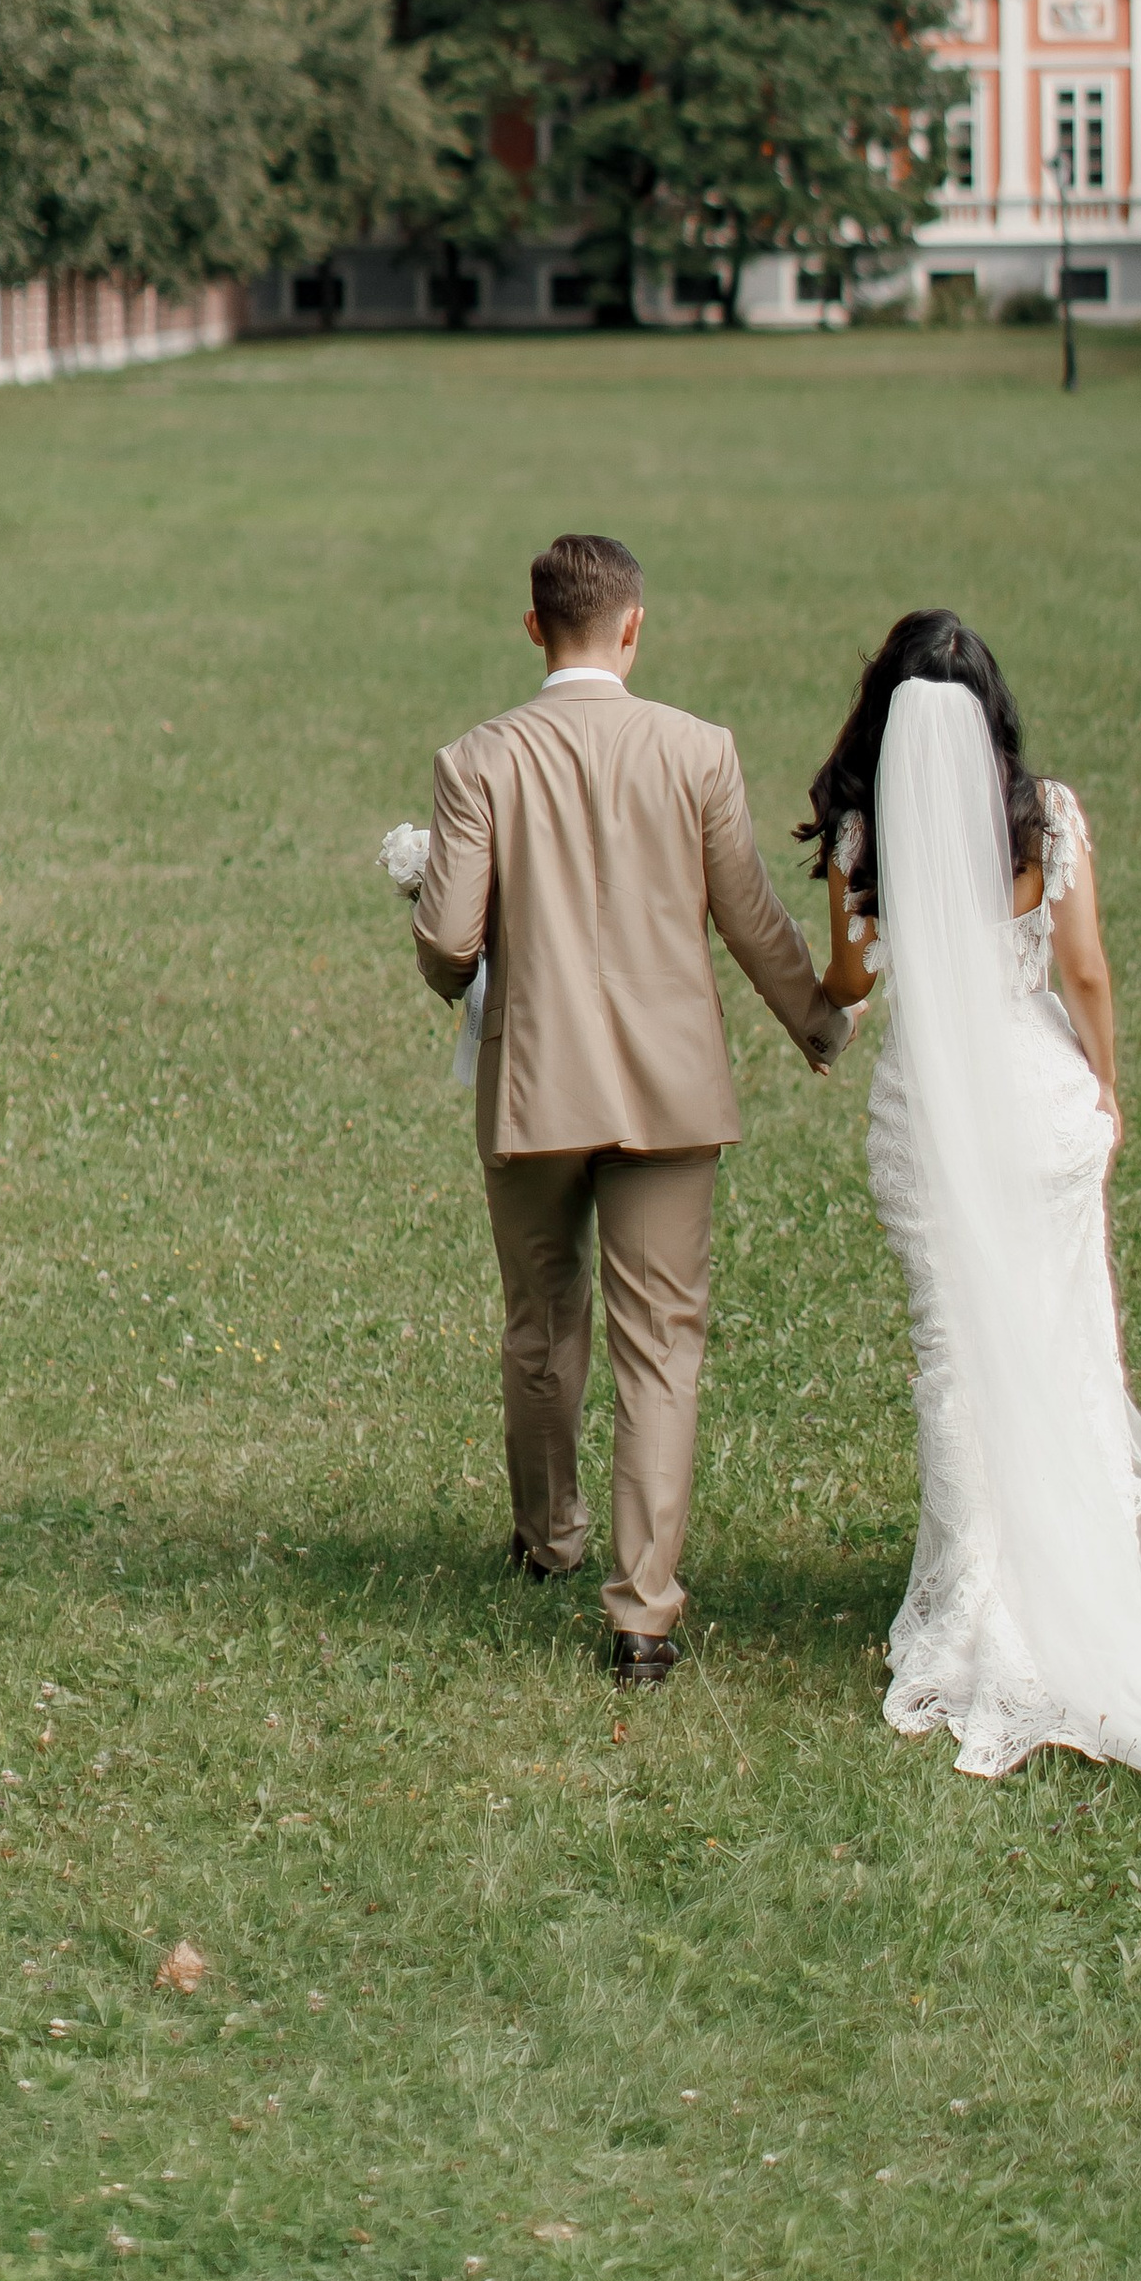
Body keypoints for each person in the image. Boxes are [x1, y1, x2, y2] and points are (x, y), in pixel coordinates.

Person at [802, 611, 1141, 1812]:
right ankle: (1075, 1579)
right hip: (1038, 1109)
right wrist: (1106, 1084)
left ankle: (970, 1602)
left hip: (931, 1120)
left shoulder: (865, 833)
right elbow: (1086, 969)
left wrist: (834, 981)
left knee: (954, 1354)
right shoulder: (1044, 818)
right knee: (1062, 1347)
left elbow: (850, 981)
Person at [412, 530, 851, 1687]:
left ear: (532, 628)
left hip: (534, 1082)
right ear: (633, 627)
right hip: (668, 1087)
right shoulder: (696, 750)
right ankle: (642, 1614)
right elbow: (748, 912)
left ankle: (547, 1536)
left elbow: (450, 941)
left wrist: (450, 963)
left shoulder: (478, 759)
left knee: (540, 1320)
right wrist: (815, 1021)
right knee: (661, 1343)